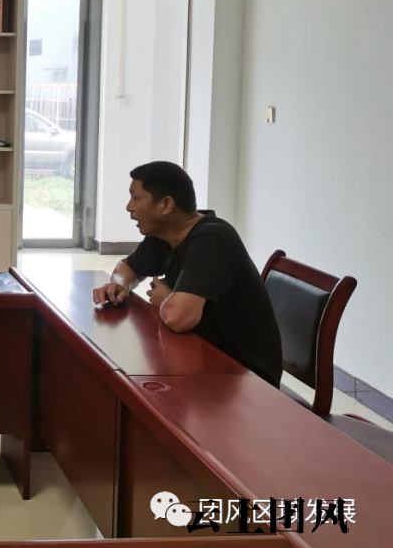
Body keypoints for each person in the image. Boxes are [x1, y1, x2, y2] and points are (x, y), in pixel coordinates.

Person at [93, 161, 282, 387]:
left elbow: (178, 318)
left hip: (245, 377)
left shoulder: (212, 240)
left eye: (135, 198)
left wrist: (166, 300)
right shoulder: (165, 234)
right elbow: (127, 267)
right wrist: (120, 284)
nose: (129, 207)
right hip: (203, 356)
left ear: (166, 205)